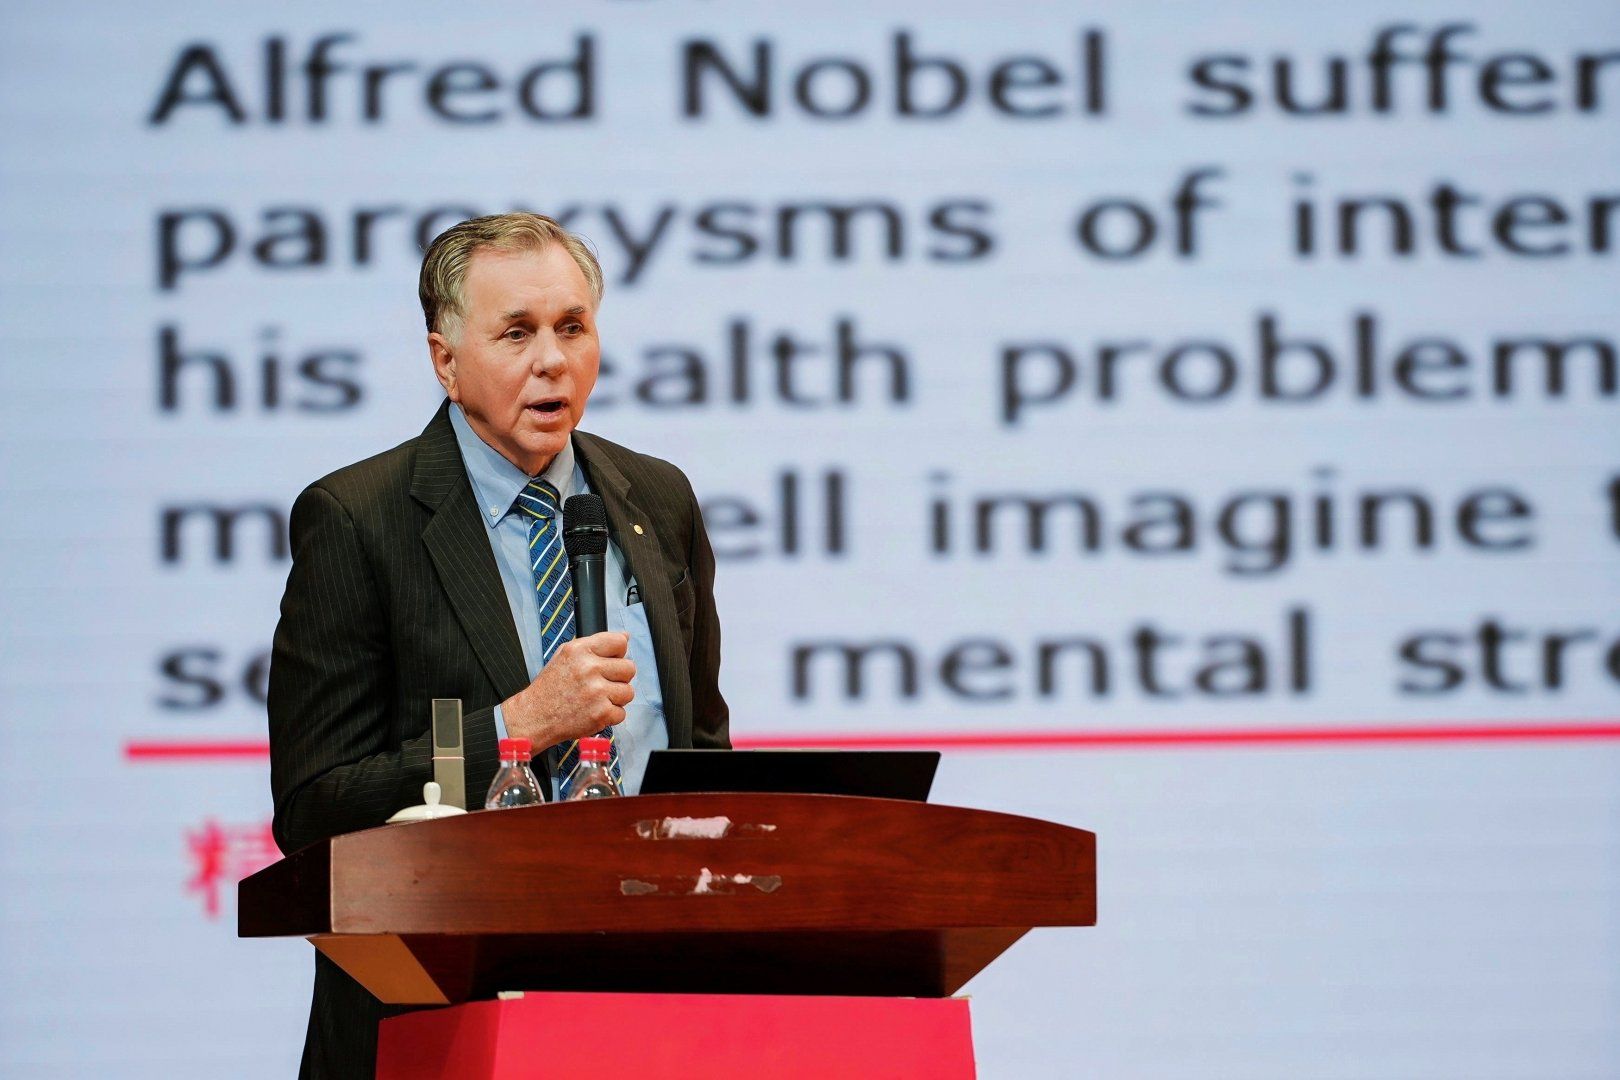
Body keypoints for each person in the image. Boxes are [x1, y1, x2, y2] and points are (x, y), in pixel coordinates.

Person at [266, 212, 729, 1078]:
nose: (552, 360)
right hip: (439, 1019)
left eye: (572, 327)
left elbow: (702, 751)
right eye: (516, 333)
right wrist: (521, 724)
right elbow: (315, 809)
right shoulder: (358, 521)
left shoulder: (657, 499)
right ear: (446, 361)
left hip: (645, 1001)